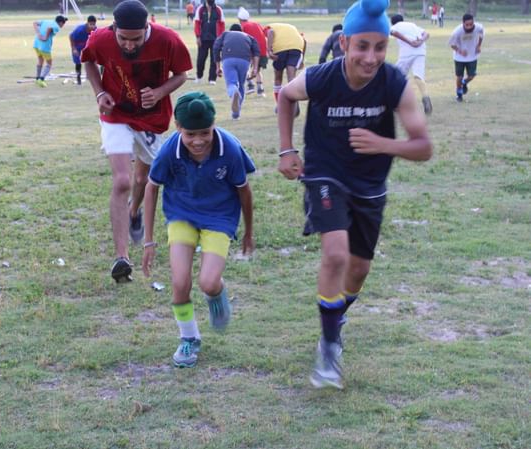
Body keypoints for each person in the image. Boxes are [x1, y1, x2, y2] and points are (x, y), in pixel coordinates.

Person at [276, 0, 432, 389]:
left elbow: (423, 146)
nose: (371, 57)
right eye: (362, 46)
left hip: (369, 185)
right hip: (325, 175)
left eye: (380, 47)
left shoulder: (394, 83)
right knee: (335, 255)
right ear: (344, 43)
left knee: (359, 270)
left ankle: (336, 316)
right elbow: (285, 96)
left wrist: (383, 144)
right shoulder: (321, 78)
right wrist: (287, 149)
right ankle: (329, 348)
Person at [142, 92, 256, 368]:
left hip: (219, 217)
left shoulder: (229, 148)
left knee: (209, 282)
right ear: (178, 127)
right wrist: (148, 241)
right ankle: (189, 338)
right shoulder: (170, 150)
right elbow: (151, 187)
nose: (198, 141)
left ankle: (217, 294)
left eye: (205, 132)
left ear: (214, 125)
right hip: (182, 214)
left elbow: (244, 191)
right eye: (190, 134)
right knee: (180, 282)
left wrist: (248, 232)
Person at [82, 0, 193, 283]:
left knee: (144, 179)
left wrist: (160, 92)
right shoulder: (101, 38)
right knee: (123, 180)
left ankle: (134, 211)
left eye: (136, 39)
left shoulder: (168, 40)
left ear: (147, 28)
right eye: (123, 39)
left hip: (152, 119)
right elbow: (89, 61)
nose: (129, 45)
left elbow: (181, 74)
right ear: (114, 29)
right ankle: (122, 258)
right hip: (115, 114)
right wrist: (99, 93)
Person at [213, 24, 260, 119]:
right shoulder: (249, 37)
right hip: (244, 61)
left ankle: (234, 92)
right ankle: (236, 113)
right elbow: (256, 52)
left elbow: (216, 48)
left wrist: (218, 67)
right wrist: (255, 68)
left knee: (231, 84)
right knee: (241, 86)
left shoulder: (225, 34)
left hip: (228, 59)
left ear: (230, 30)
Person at [390, 14, 432, 115]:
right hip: (421, 51)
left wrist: (410, 42)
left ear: (392, 22)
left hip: (407, 53)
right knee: (418, 76)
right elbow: (426, 33)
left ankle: (395, 102)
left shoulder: (395, 26)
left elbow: (393, 32)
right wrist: (420, 41)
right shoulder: (412, 25)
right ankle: (425, 97)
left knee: (395, 77)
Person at [265, 22, 306, 107]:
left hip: (280, 49)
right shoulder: (292, 28)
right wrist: (302, 59)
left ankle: (279, 104)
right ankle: (294, 103)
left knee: (278, 78)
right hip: (296, 47)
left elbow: (270, 32)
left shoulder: (267, 28)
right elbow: (304, 40)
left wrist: (269, 51)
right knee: (291, 78)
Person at [449, 13, 484, 103]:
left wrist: (479, 45)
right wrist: (460, 51)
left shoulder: (478, 27)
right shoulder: (457, 31)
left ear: (473, 22)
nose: (469, 27)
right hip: (459, 58)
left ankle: (464, 83)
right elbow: (451, 44)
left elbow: (481, 34)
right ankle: (459, 94)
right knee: (459, 77)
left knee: (472, 75)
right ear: (463, 23)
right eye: (467, 25)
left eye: (471, 24)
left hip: (472, 56)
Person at [237, 7, 268, 96]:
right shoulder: (256, 24)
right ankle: (260, 90)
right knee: (257, 70)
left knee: (244, 67)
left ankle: (250, 84)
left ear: (239, 19)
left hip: (251, 49)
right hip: (262, 49)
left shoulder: (242, 27)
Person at [194, 0, 225, 84]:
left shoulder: (218, 9)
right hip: (203, 39)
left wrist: (221, 38)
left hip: (215, 39)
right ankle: (199, 77)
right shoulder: (200, 9)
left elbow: (222, 24)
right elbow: (197, 23)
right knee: (201, 59)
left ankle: (212, 79)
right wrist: (198, 37)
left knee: (214, 59)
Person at [32, 15, 68, 87]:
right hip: (44, 47)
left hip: (36, 44)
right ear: (61, 23)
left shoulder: (47, 21)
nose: (63, 26)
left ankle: (37, 78)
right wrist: (45, 37)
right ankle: (41, 79)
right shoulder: (56, 26)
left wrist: (38, 34)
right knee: (49, 64)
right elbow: (50, 28)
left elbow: (35, 23)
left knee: (40, 61)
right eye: (63, 24)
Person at [69, 15, 97, 85]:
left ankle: (90, 76)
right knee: (78, 62)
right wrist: (74, 48)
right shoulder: (80, 29)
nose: (92, 26)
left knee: (91, 60)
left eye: (93, 24)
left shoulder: (95, 29)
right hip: (77, 45)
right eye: (91, 24)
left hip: (87, 45)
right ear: (87, 23)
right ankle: (78, 78)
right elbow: (71, 36)